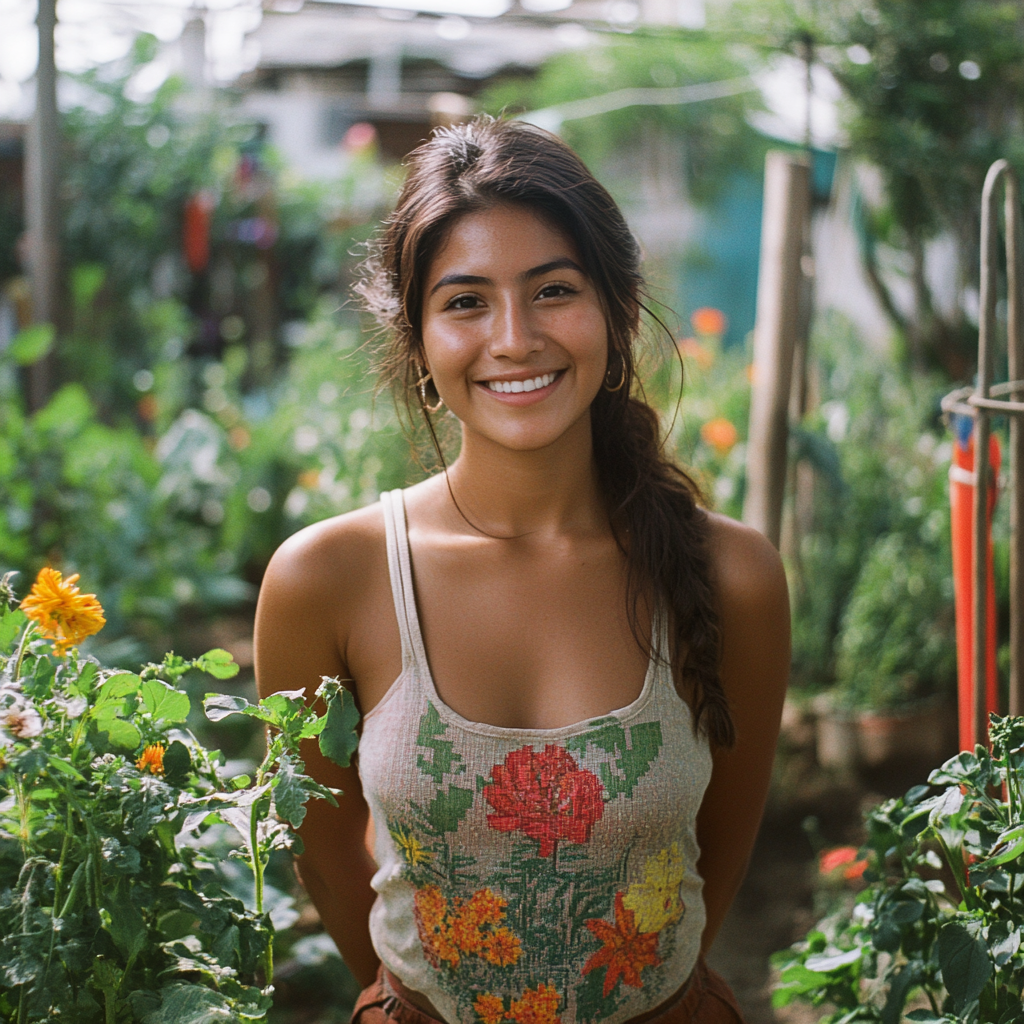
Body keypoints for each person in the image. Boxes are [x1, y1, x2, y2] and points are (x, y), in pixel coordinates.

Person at [254, 116, 790, 1024]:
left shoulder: (730, 573)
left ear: (618, 312)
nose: (514, 338)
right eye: (465, 302)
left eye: (552, 291)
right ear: (418, 340)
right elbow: (323, 852)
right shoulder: (329, 579)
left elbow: (720, 855)